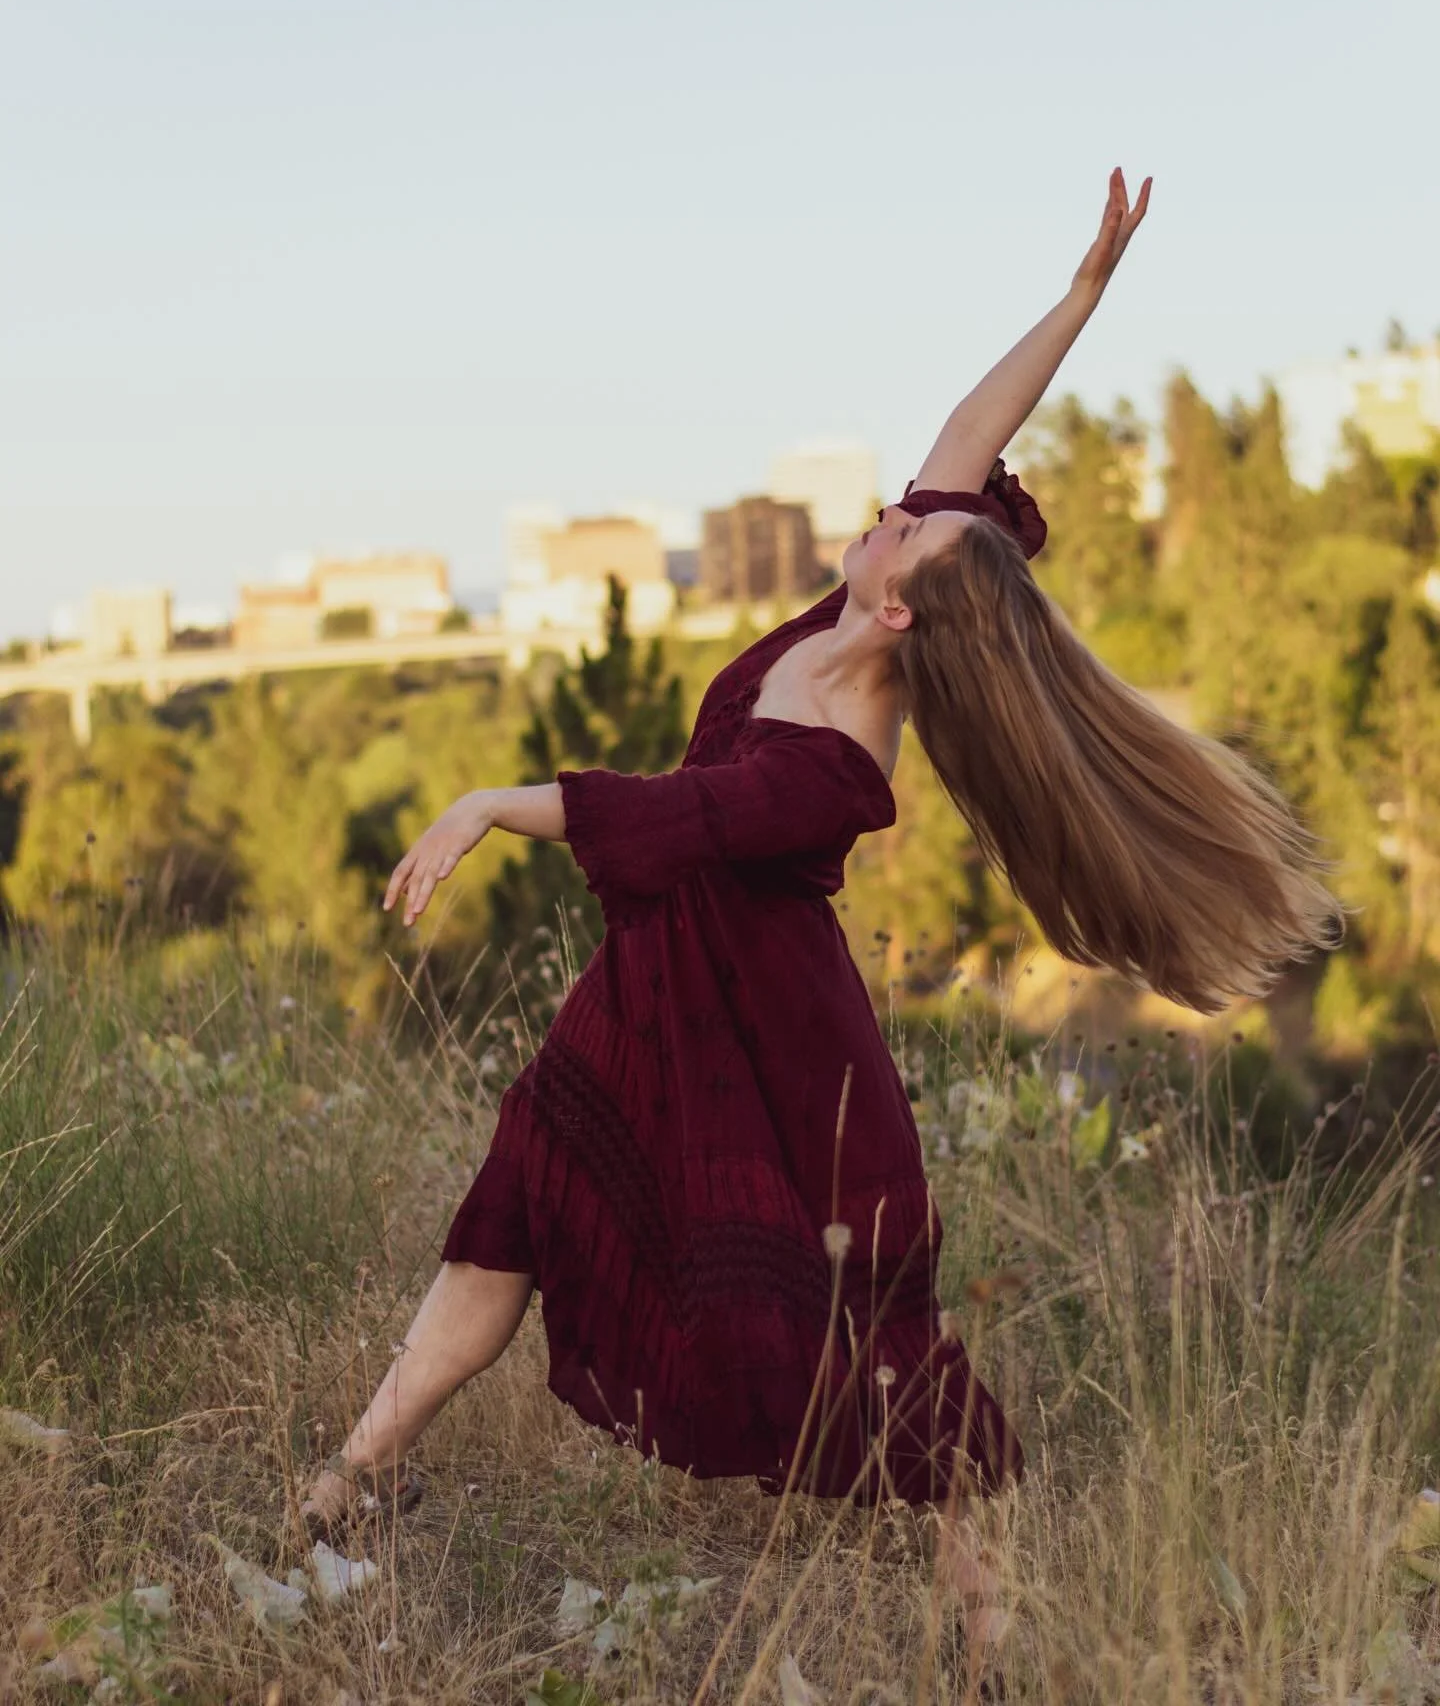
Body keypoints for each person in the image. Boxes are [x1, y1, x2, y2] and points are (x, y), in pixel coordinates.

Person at [298, 169, 1342, 1573]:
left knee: (859, 1330)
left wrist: (489, 801)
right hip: (646, 991)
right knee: (507, 1218)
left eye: (913, 526)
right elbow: (973, 433)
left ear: (905, 600)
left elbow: (665, 822)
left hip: (767, 1040)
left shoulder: (837, 761)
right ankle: (348, 1484)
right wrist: (1085, 293)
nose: (898, 510)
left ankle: (987, 1613)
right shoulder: (848, 614)